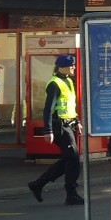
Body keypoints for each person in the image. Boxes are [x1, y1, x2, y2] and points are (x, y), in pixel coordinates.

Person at [27, 54, 84, 205]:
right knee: (73, 159)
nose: (73, 67)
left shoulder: (68, 81)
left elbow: (69, 105)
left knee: (69, 159)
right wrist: (48, 131)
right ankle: (71, 194)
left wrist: (77, 120)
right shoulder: (55, 83)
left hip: (68, 124)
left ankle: (38, 184)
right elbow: (48, 109)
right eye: (71, 65)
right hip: (59, 126)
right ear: (62, 67)